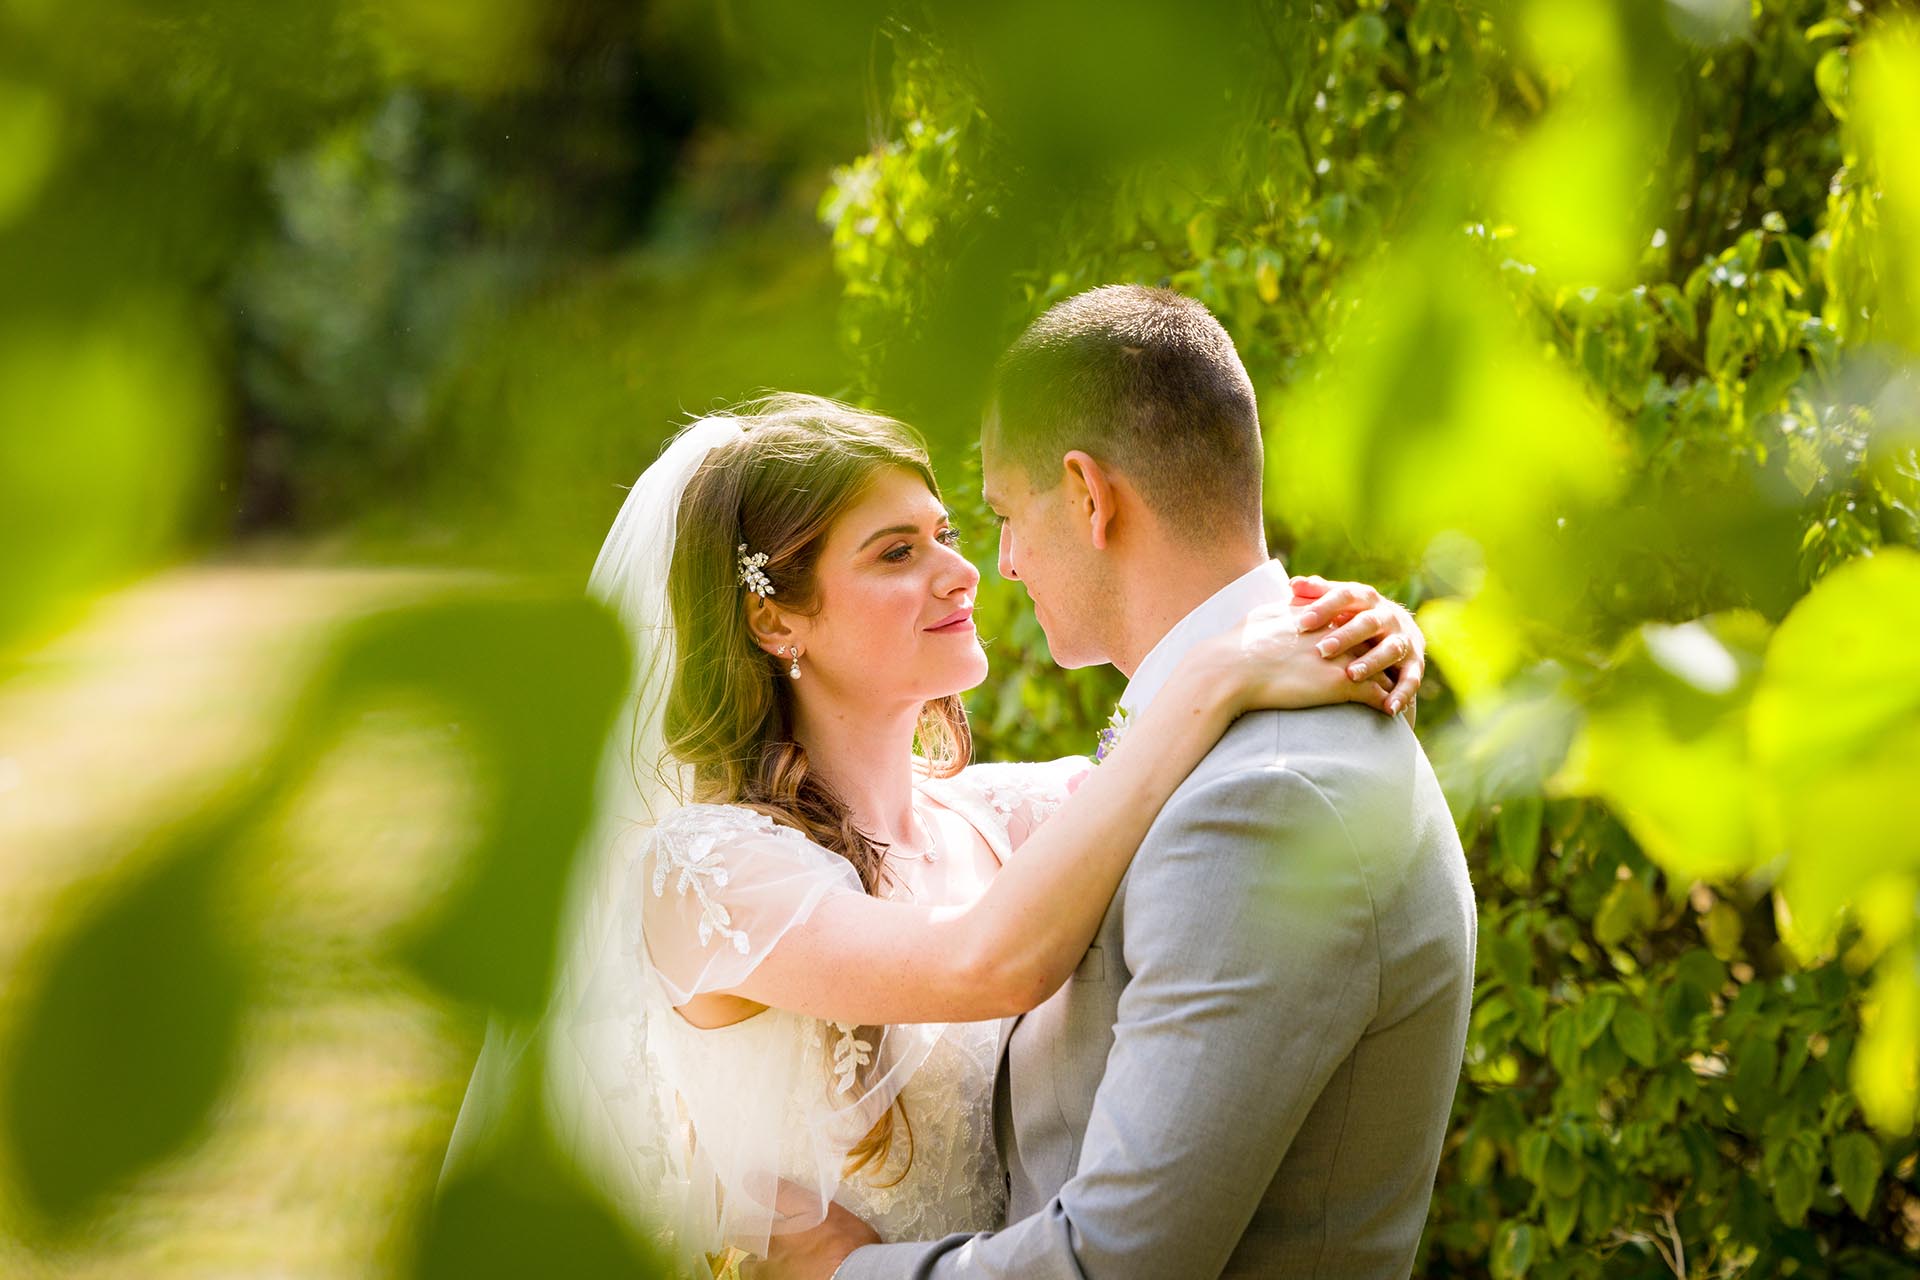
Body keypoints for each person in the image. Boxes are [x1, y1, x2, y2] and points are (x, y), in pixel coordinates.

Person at [451, 389, 1428, 1276]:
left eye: (948, 532)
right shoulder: (705, 870)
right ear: (775, 620)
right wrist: (1219, 671)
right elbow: (982, 964)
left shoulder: (1003, 815)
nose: (964, 571)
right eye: (896, 551)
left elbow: (1220, 790)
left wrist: (1348, 628)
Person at [765, 286, 1476, 1280]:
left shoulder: (1259, 799)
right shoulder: (1216, 746)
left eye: (1000, 517)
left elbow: (1112, 1264)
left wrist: (837, 1275)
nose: (997, 565)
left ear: (1090, 495)